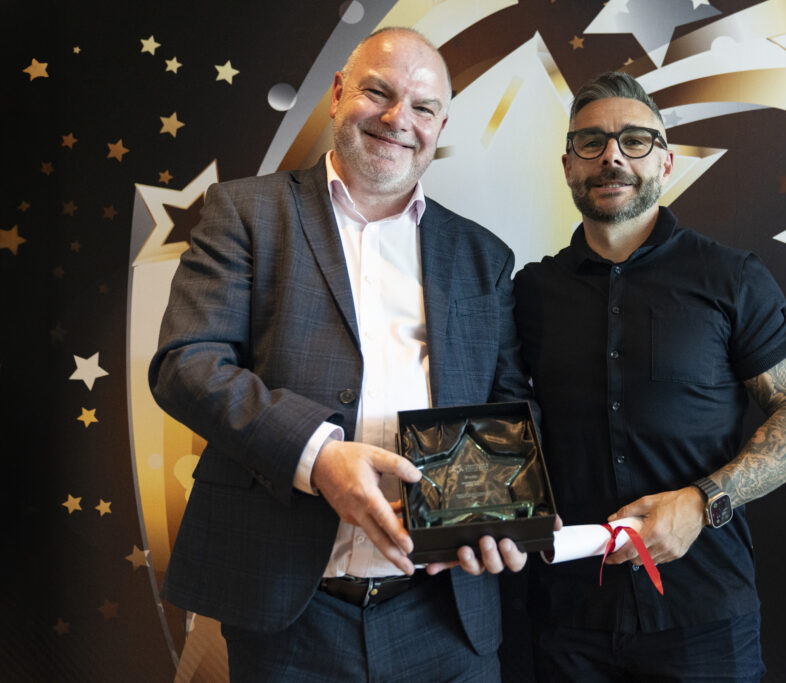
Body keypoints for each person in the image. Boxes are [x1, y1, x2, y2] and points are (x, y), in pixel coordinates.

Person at [149, 27, 532, 682]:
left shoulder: (482, 254)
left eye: (422, 107)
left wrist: (492, 511)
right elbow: (186, 363)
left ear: (440, 124)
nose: (396, 120)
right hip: (290, 612)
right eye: (377, 93)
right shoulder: (245, 211)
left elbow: (507, 403)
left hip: (444, 613)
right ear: (336, 95)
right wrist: (318, 455)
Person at [512, 71, 786, 681]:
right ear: (568, 166)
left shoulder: (732, 277)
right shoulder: (531, 291)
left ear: (666, 161)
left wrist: (703, 501)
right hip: (568, 616)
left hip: (704, 615)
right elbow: (500, 417)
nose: (611, 156)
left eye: (635, 141)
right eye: (591, 142)